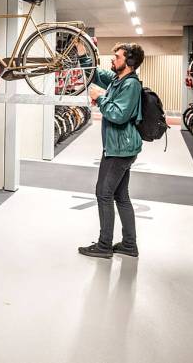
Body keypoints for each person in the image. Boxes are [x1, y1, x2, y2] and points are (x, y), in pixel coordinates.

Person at [75, 41, 144, 259]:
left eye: (117, 57)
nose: (113, 60)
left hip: (119, 150)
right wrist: (82, 51)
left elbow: (118, 115)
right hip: (120, 147)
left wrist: (100, 98)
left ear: (129, 62)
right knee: (121, 196)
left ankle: (104, 246)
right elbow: (94, 74)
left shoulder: (131, 85)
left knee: (103, 194)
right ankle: (129, 245)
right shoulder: (118, 79)